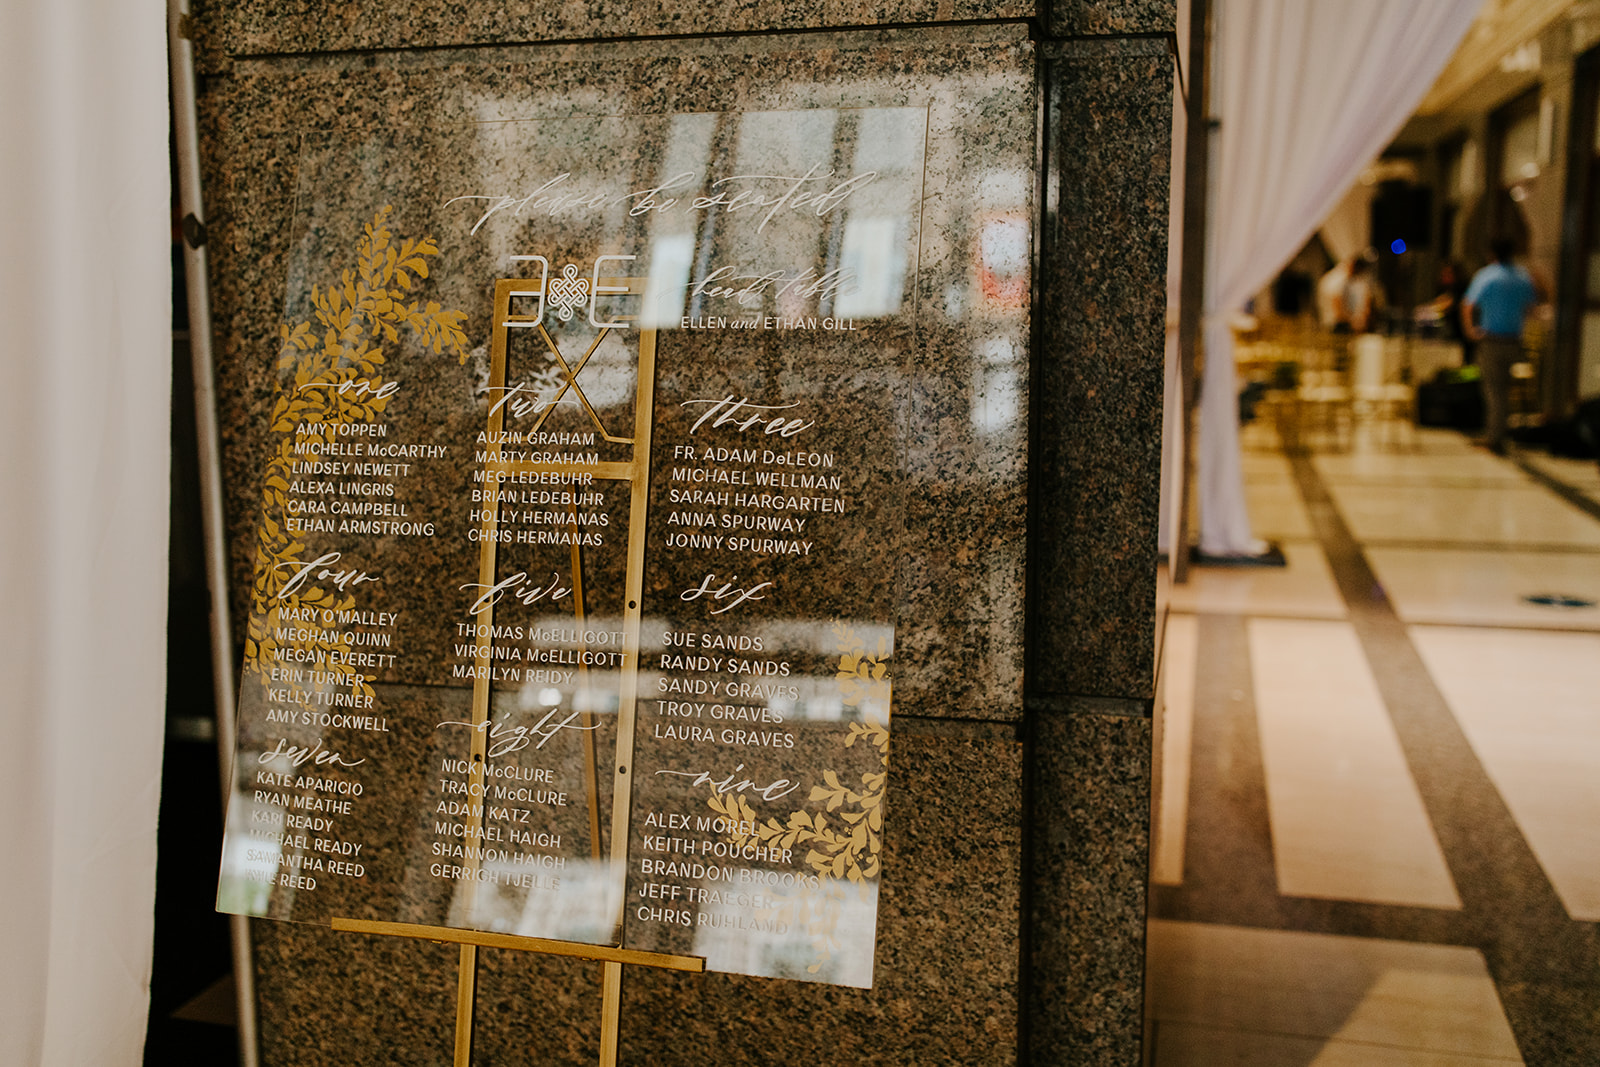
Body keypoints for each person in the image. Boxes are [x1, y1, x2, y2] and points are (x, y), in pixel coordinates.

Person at [1460, 239, 1546, 454]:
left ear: (1492, 254)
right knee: (1505, 390)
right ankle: (1498, 433)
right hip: (1515, 340)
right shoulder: (1522, 276)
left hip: (1492, 340)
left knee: (1494, 390)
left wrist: (1470, 330)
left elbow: (1468, 304)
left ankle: (1495, 436)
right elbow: (1533, 307)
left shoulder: (1488, 275)